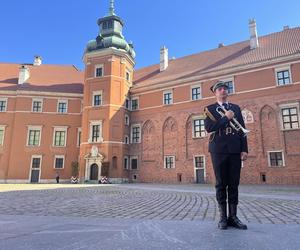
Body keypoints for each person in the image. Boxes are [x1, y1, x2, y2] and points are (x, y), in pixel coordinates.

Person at [204, 81, 248, 230]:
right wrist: (226, 118)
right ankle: (223, 217)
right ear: (215, 93)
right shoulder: (210, 109)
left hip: (235, 148)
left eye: (225, 89)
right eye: (220, 89)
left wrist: (244, 149)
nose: (223, 91)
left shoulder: (236, 108)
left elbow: (242, 129)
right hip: (218, 149)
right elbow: (209, 128)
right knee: (221, 183)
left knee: (234, 183)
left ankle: (233, 217)